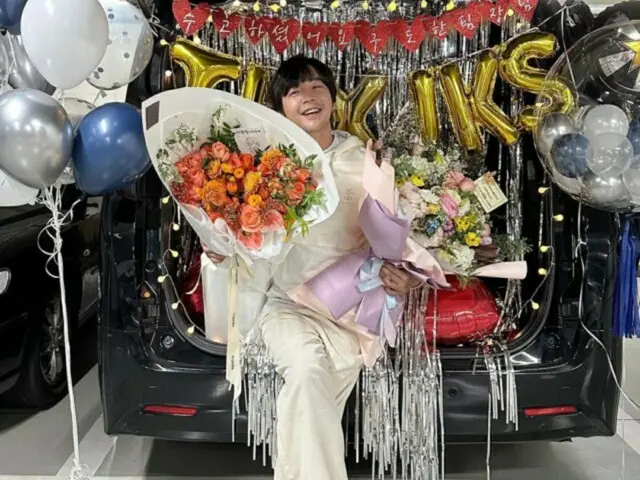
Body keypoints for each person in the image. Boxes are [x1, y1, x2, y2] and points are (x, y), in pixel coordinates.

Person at [204, 55, 419, 480]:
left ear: (334, 99)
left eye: (317, 86)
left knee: (311, 402)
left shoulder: (370, 162)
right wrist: (221, 248)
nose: (308, 97)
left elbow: (405, 240)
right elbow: (244, 238)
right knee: (305, 370)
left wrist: (407, 276)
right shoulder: (264, 169)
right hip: (286, 304)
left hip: (349, 314)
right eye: (293, 91)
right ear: (280, 107)